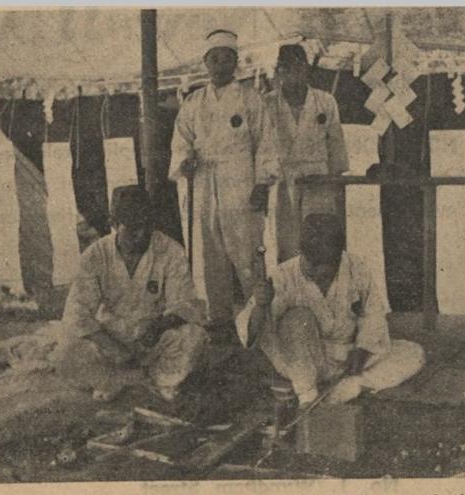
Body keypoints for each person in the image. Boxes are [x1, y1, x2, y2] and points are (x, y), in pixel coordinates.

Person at [235, 213, 425, 408]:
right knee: (297, 318)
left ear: (338, 257)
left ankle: (349, 387)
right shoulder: (283, 276)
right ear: (302, 252)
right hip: (304, 361)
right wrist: (260, 305)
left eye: (324, 265)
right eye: (311, 263)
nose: (317, 272)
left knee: (413, 354)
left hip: (346, 357)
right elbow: (252, 331)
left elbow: (373, 314)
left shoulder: (356, 268)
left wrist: (362, 348)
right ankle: (308, 397)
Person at [53, 185, 208, 402]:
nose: (142, 235)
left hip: (152, 339)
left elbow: (185, 303)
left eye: (146, 226)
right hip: (112, 338)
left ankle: (143, 380)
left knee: (195, 338)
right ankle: (128, 379)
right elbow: (77, 314)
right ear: (114, 224)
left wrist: (158, 328)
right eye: (133, 228)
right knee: (65, 354)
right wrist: (113, 349)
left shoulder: (170, 250)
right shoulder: (95, 256)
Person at [169, 29, 279, 325]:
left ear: (236, 62)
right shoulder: (193, 102)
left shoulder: (250, 99)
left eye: (226, 59)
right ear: (205, 63)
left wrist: (262, 184)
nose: (220, 65)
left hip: (240, 181)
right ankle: (217, 323)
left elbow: (266, 142)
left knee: (247, 253)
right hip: (204, 182)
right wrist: (185, 161)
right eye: (214, 59)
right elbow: (181, 141)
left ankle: (259, 321)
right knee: (209, 256)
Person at [264, 44, 349, 262]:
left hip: (319, 180)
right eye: (286, 68)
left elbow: (336, 144)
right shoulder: (268, 103)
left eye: (298, 68)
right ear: (278, 70)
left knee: (320, 243)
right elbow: (262, 147)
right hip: (285, 179)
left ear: (306, 70)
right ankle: (291, 294)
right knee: (288, 245)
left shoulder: (325, 101)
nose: (293, 74)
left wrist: (334, 180)